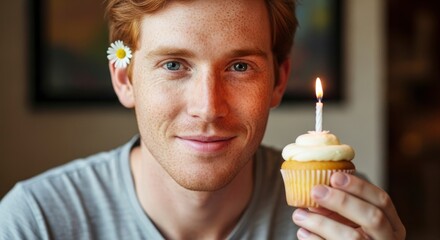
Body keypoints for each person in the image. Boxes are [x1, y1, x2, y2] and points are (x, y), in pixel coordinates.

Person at [0, 0, 405, 239]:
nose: (209, 107)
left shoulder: (343, 218)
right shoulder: (36, 222)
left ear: (279, 81)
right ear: (125, 79)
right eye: (174, 64)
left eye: (241, 67)